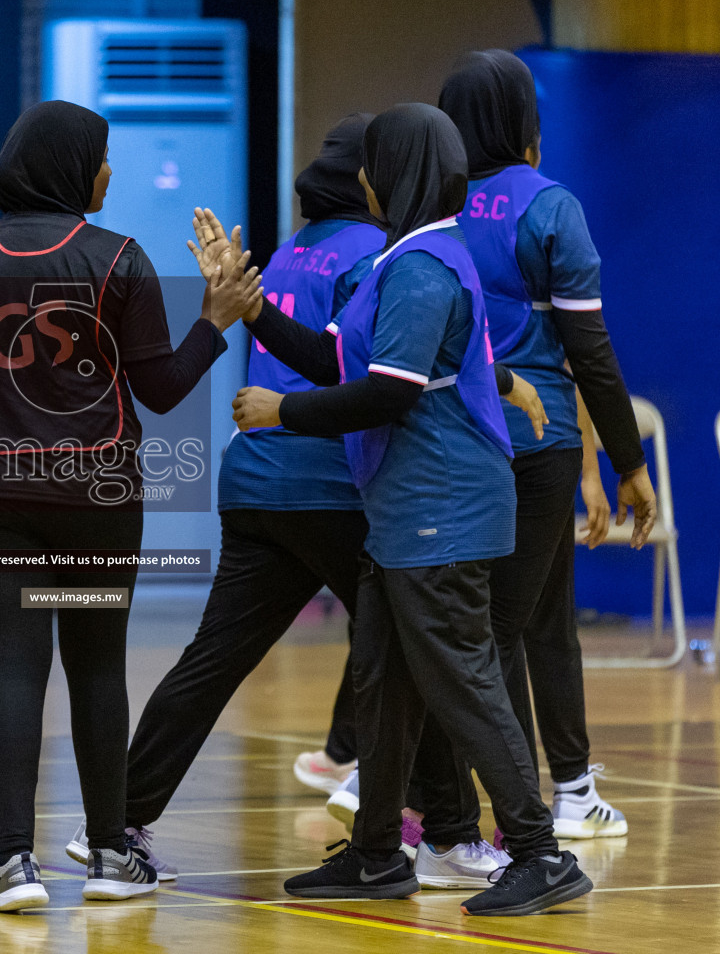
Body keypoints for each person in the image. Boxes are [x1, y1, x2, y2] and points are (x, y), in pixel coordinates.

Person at [234, 102, 591, 916]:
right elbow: (337, 357)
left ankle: (540, 853)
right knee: (383, 682)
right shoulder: (403, 259)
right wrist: (256, 313)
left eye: (374, 160)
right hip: (402, 511)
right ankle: (373, 856)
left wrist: (278, 412)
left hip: (443, 507)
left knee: (462, 680)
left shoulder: (426, 265)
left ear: (395, 173)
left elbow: (388, 392)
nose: (360, 173)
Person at [0, 100, 262, 912]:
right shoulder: (118, 259)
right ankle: (112, 856)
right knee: (96, 665)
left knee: (12, 666)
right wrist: (213, 322)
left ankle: (14, 866)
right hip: (96, 497)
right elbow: (159, 391)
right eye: (103, 156)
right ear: (71, 165)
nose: (109, 171)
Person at [58, 116, 382, 881]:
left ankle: (116, 822)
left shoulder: (291, 252)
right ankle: (418, 818)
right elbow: (358, 372)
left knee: (211, 660)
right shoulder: (379, 256)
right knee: (408, 649)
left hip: (253, 482)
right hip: (329, 481)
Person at [433, 49, 655, 840]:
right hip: (537, 443)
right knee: (488, 635)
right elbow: (588, 352)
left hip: (450, 440)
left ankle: (572, 788)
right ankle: (472, 816)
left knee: (544, 619)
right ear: (526, 121)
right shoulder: (551, 207)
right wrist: (628, 464)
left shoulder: (433, 209)